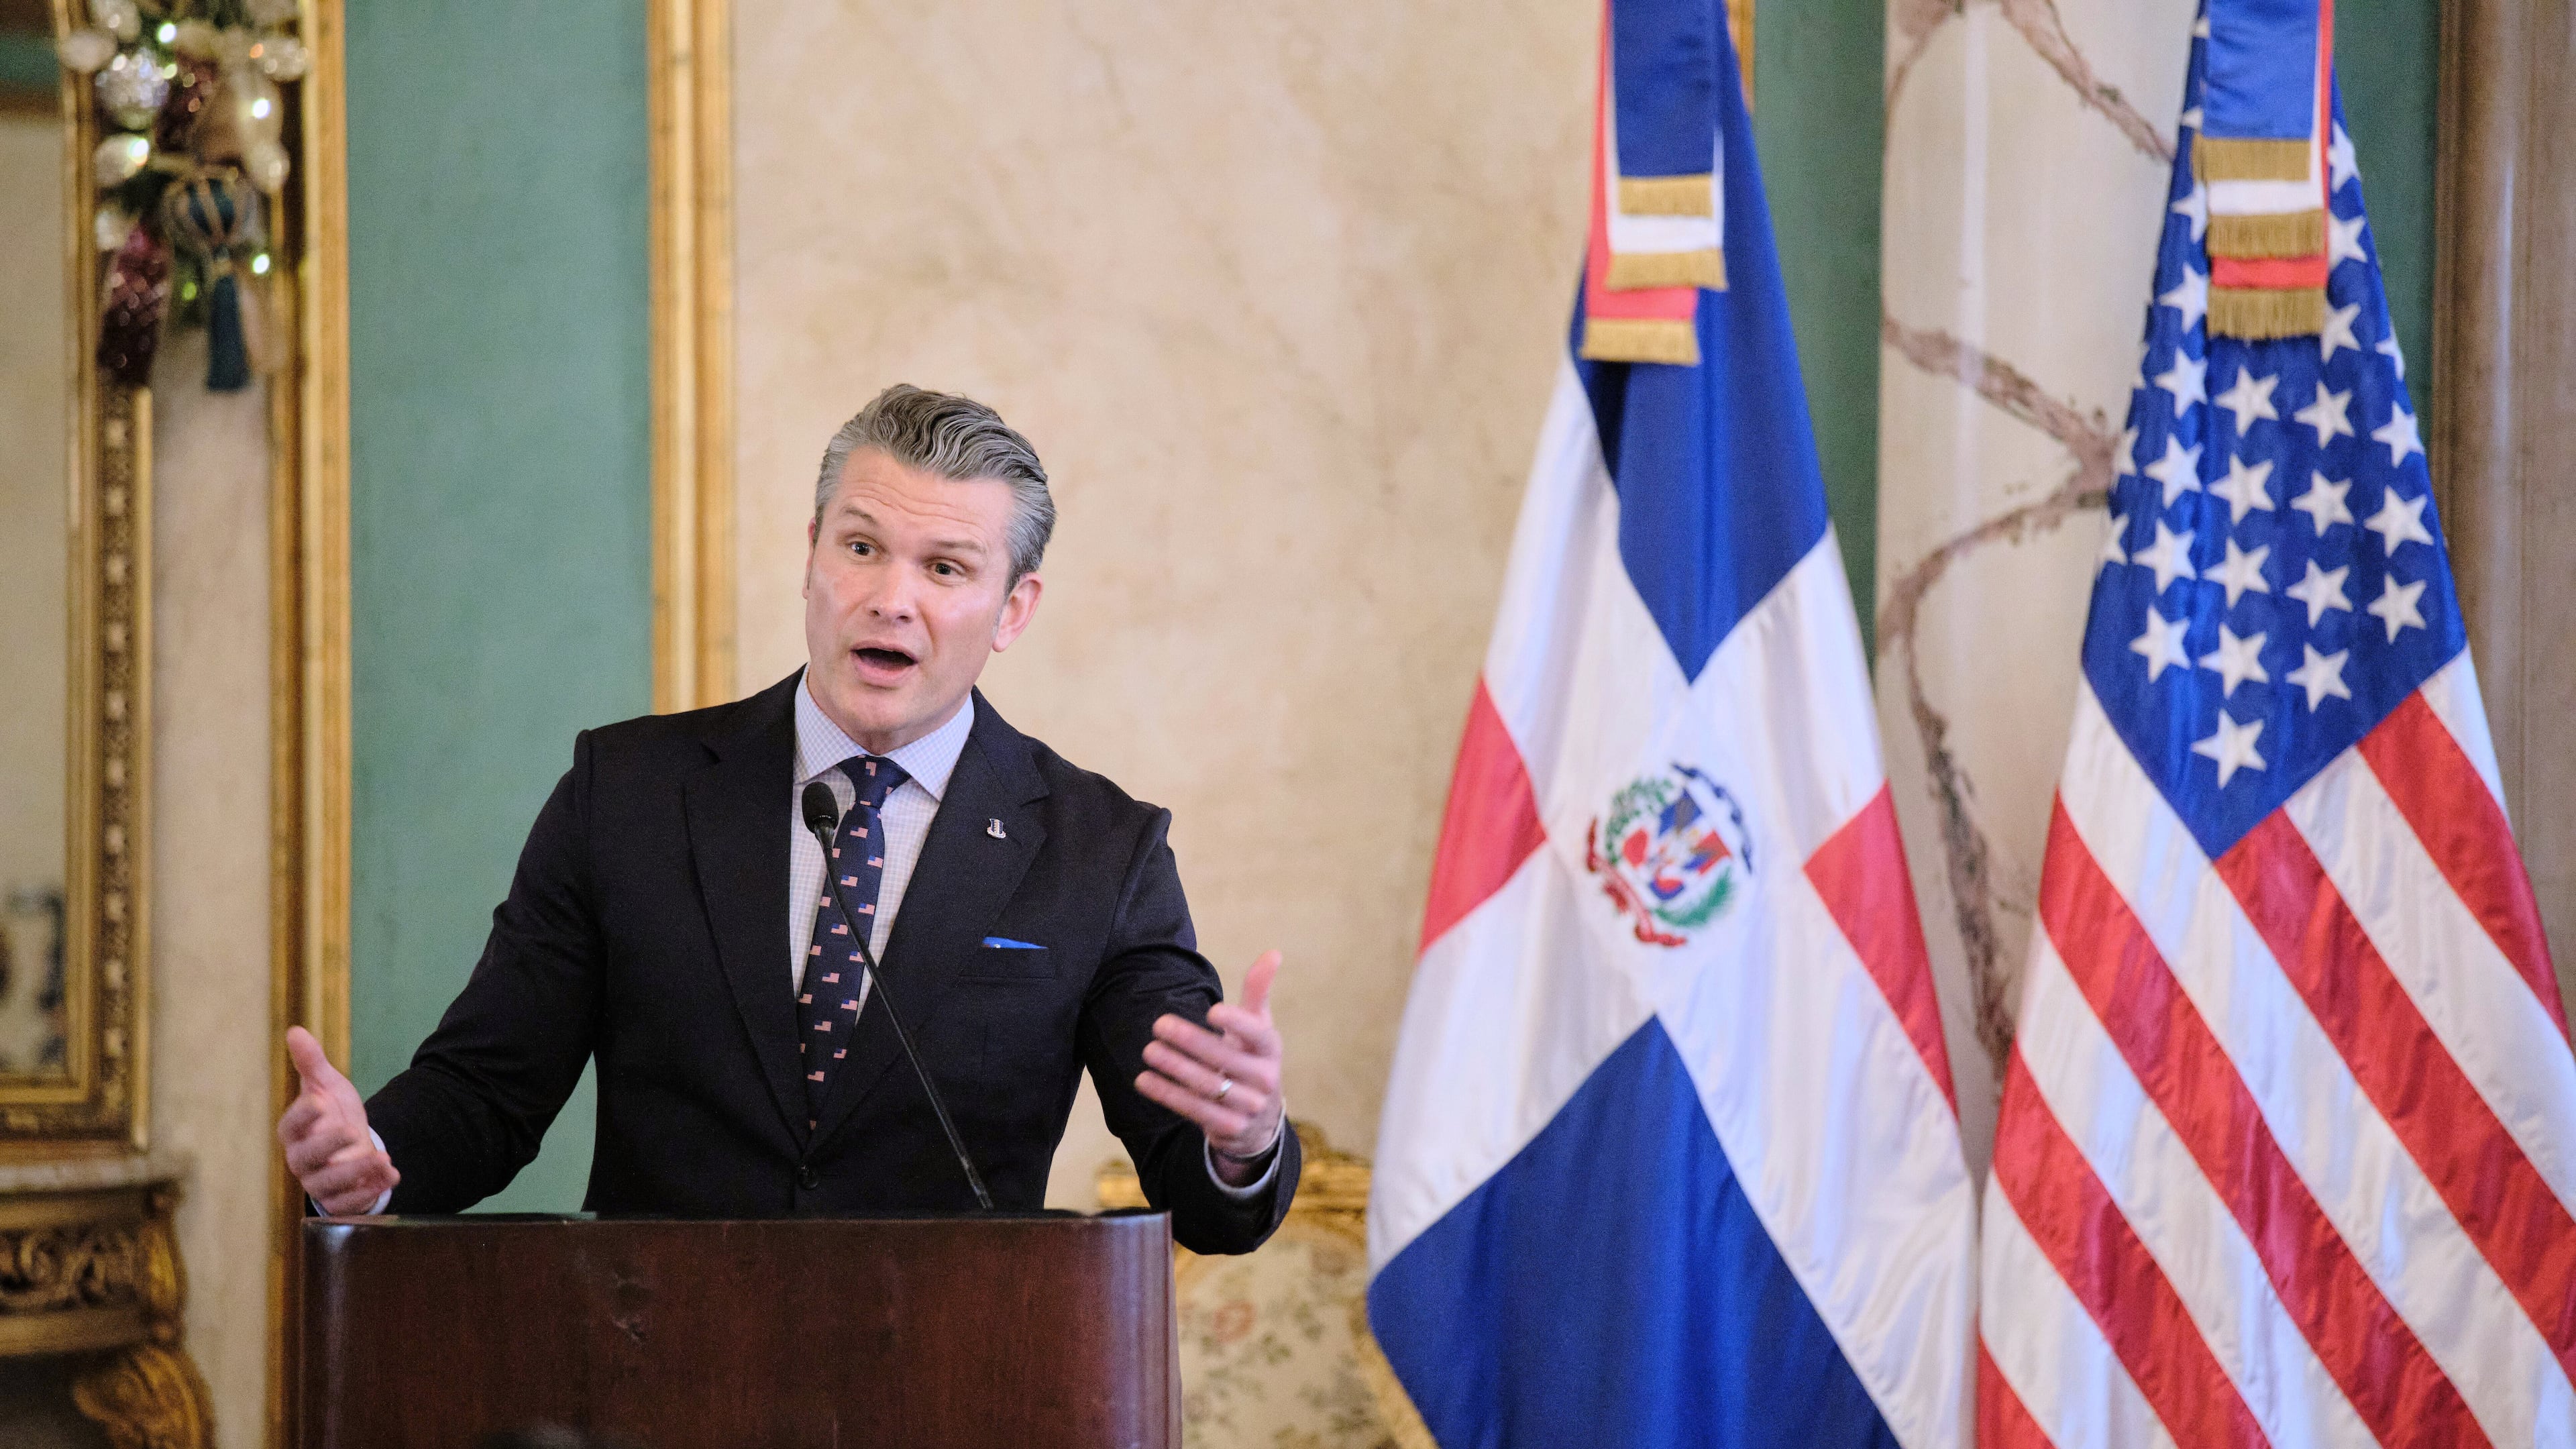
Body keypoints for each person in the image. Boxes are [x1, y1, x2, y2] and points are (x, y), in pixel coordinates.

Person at [277, 385, 1297, 1252]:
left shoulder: (1099, 851)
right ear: (812, 553)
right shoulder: (628, 791)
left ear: (1014, 609)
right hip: (656, 1374)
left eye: (945, 569)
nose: (890, 599)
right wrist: (371, 1162)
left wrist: (1241, 1141)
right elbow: (486, 1093)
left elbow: (1199, 1187)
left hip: (957, 1385)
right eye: (863, 547)